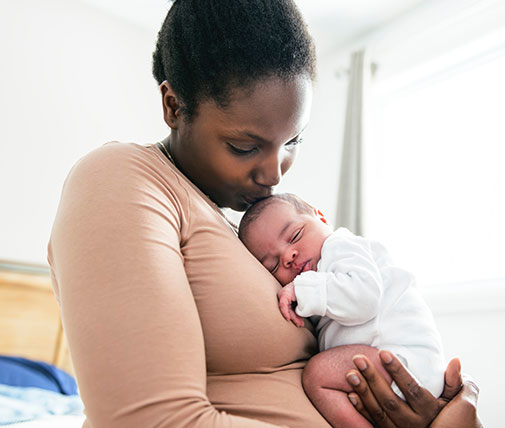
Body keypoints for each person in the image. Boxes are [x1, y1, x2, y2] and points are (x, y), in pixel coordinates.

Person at [47, 0, 481, 427]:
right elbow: (152, 421)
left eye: (293, 141)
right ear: (174, 107)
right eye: (245, 147)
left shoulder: (243, 231)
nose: (274, 174)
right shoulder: (124, 178)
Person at [238, 193, 447, 428]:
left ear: (321, 218)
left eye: (295, 236)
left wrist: (302, 290)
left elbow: (364, 297)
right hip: (391, 365)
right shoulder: (321, 283)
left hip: (406, 362)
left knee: (317, 375)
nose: (288, 256)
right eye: (274, 264)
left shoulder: (340, 246)